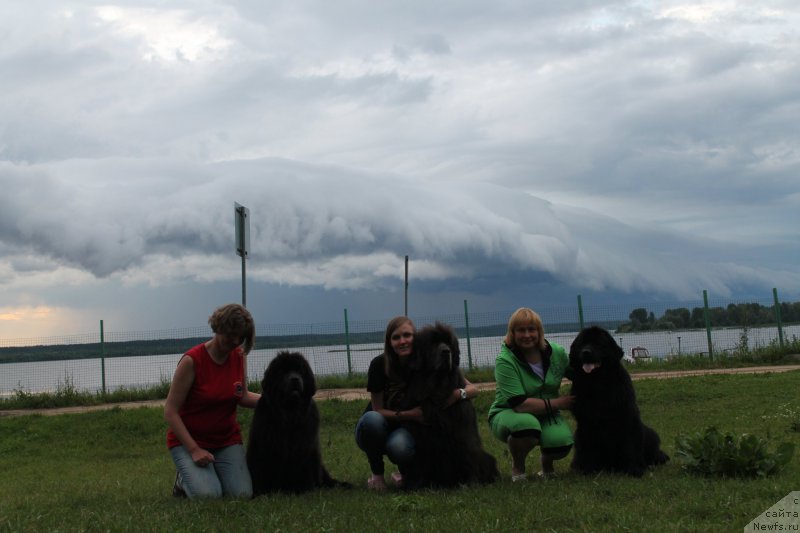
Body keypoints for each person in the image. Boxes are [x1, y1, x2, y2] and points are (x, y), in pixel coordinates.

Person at [354, 316, 479, 490]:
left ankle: (406, 473)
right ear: (389, 342)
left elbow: (472, 388)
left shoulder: (424, 360)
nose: (402, 341)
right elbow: (377, 409)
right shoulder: (379, 364)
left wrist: (458, 394)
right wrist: (412, 414)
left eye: (407, 335)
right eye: (396, 337)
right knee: (371, 420)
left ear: (416, 338)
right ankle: (377, 475)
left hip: (405, 429)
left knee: (401, 446)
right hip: (381, 423)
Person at [164, 303, 261, 498]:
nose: (235, 341)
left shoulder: (239, 356)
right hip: (190, 442)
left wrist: (278, 401)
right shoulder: (192, 361)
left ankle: (212, 471)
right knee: (208, 495)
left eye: (240, 337)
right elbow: (170, 411)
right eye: (231, 334)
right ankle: (182, 480)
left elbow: (242, 396)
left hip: (226, 440)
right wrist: (194, 450)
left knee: (241, 494)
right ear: (218, 328)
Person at [488, 307, 575, 481]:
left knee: (561, 443)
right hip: (509, 412)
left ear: (539, 331)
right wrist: (560, 403)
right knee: (527, 426)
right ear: (512, 333)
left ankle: (546, 465)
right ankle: (518, 467)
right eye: (521, 330)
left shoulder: (557, 352)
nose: (527, 335)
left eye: (531, 329)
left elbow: (578, 374)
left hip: (546, 413)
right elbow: (520, 405)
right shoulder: (505, 360)